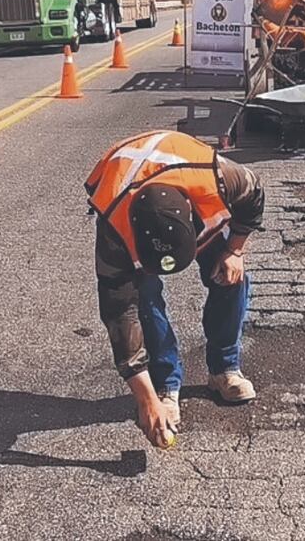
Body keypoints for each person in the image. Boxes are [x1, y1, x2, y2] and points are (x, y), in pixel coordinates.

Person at [85, 130, 265, 447]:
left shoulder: (219, 178)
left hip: (180, 167)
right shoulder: (115, 231)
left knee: (232, 277)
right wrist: (146, 399)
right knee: (143, 299)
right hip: (123, 183)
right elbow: (119, 316)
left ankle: (224, 369)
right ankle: (165, 384)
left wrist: (234, 251)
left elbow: (254, 197)